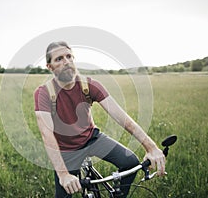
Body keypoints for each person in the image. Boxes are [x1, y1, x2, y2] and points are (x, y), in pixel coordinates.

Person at [34, 41, 165, 197]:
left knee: (131, 163)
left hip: (92, 138)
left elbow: (122, 117)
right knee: (63, 194)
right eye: (59, 59)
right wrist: (63, 175)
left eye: (69, 56)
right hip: (66, 150)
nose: (66, 61)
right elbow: (46, 134)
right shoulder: (44, 93)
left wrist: (151, 147)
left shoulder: (89, 85)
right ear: (50, 67)